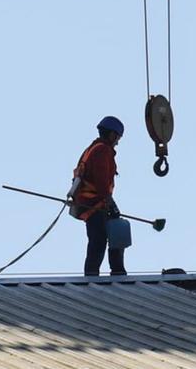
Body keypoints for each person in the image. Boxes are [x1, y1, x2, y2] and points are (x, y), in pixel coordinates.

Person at [69, 116, 127, 276]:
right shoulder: (103, 150)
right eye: (118, 138)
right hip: (95, 204)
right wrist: (111, 203)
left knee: (113, 232)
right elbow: (101, 181)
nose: (117, 142)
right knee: (99, 239)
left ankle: (116, 270)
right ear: (112, 135)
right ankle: (97, 275)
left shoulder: (92, 149)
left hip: (91, 203)